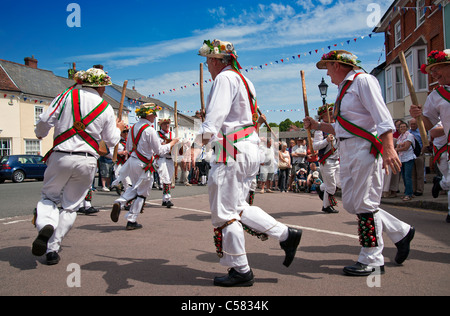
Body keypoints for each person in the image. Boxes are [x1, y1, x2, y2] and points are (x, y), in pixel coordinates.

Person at [190, 39, 302, 287]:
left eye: (208, 60)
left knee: (225, 212)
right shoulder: (244, 80)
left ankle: (241, 270)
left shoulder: (223, 79)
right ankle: (285, 235)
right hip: (247, 147)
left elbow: (214, 122)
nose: (207, 65)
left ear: (217, 60)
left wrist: (193, 144)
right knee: (238, 207)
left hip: (232, 148)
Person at [304, 50, 414, 276]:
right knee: (353, 203)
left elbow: (382, 117)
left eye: (327, 66)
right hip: (349, 148)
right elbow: (341, 128)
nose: (326, 72)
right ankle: (400, 231)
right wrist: (317, 126)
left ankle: (372, 259)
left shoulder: (363, 81)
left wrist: (389, 148)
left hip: (364, 149)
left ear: (338, 65)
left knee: (365, 203)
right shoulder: (343, 90)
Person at [33, 67, 125, 265]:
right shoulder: (105, 107)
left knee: (49, 196)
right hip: (88, 160)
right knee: (71, 207)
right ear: (101, 86)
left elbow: (44, 120)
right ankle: (52, 249)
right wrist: (118, 129)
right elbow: (110, 141)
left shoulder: (65, 96)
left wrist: (40, 133)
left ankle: (47, 224)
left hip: (61, 156)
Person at [110, 103, 179, 230]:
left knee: (135, 187)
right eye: (154, 114)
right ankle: (131, 220)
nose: (155, 116)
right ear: (148, 115)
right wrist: (172, 143)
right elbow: (159, 150)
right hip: (143, 164)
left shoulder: (132, 128)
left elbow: (129, 148)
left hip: (132, 161)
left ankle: (120, 202)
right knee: (142, 193)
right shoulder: (150, 130)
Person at [410, 49, 450, 223]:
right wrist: (418, 116)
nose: (433, 74)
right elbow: (428, 124)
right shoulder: (436, 96)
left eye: (436, 69)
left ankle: (442, 184)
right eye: (431, 71)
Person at [313, 104, 340, 213]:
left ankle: (321, 188)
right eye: (328, 114)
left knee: (339, 183)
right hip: (327, 161)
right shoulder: (320, 130)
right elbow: (315, 146)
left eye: (331, 113)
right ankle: (326, 206)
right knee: (332, 186)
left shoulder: (336, 127)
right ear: (323, 117)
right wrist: (326, 140)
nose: (331, 115)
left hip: (337, 160)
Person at [156, 117, 176, 208]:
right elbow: (158, 146)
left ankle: (164, 199)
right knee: (166, 178)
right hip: (162, 158)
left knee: (169, 179)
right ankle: (167, 198)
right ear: (161, 125)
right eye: (165, 124)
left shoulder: (173, 134)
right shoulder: (157, 134)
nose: (167, 125)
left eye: (168, 123)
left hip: (170, 158)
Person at [396, 121, 416, 201]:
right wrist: (399, 147)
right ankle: (408, 192)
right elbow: (398, 146)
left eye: (404, 127)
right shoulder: (400, 137)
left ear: (407, 128)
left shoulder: (410, 136)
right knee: (404, 177)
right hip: (402, 159)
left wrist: (397, 148)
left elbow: (406, 147)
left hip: (408, 158)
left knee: (408, 176)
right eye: (401, 127)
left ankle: (408, 194)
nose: (402, 128)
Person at [409, 118, 425, 196]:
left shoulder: (421, 132)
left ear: (417, 124)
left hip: (419, 155)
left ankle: (420, 190)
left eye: (414, 124)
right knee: (413, 174)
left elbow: (425, 143)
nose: (412, 125)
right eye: (411, 124)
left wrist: (421, 152)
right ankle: (414, 189)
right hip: (411, 155)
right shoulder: (408, 133)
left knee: (420, 174)